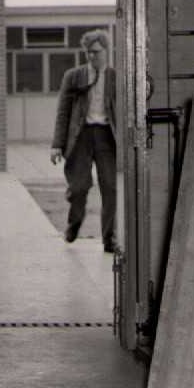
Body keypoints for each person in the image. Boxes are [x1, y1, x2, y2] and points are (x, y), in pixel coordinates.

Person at [50, 28, 117, 251]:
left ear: (106, 51)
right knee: (78, 187)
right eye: (89, 52)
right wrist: (57, 145)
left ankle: (109, 238)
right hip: (81, 136)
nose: (92, 56)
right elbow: (63, 112)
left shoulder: (115, 78)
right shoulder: (74, 76)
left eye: (96, 52)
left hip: (107, 136)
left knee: (111, 187)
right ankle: (74, 223)